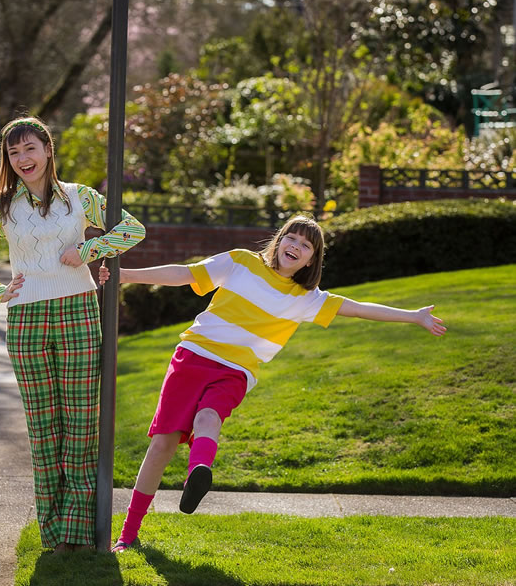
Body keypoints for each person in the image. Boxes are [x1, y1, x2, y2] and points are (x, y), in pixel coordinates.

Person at [103, 214, 446, 552]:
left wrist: (413, 316)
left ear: (313, 259)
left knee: (209, 417)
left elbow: (357, 309)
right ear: (279, 240)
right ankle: (128, 535)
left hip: (235, 371)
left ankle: (199, 472)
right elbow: (186, 274)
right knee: (162, 444)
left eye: (306, 245)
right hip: (193, 355)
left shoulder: (307, 298)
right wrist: (126, 275)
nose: (296, 246)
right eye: (291, 238)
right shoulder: (240, 262)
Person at [0, 116, 145, 554]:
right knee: (43, 430)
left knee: (80, 425)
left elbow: (132, 229)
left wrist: (88, 251)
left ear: (48, 149)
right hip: (26, 321)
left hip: (77, 312)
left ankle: (78, 531)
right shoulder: (2, 206)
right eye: (14, 153)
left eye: (29, 149)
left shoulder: (79, 198)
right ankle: (54, 535)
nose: (22, 159)